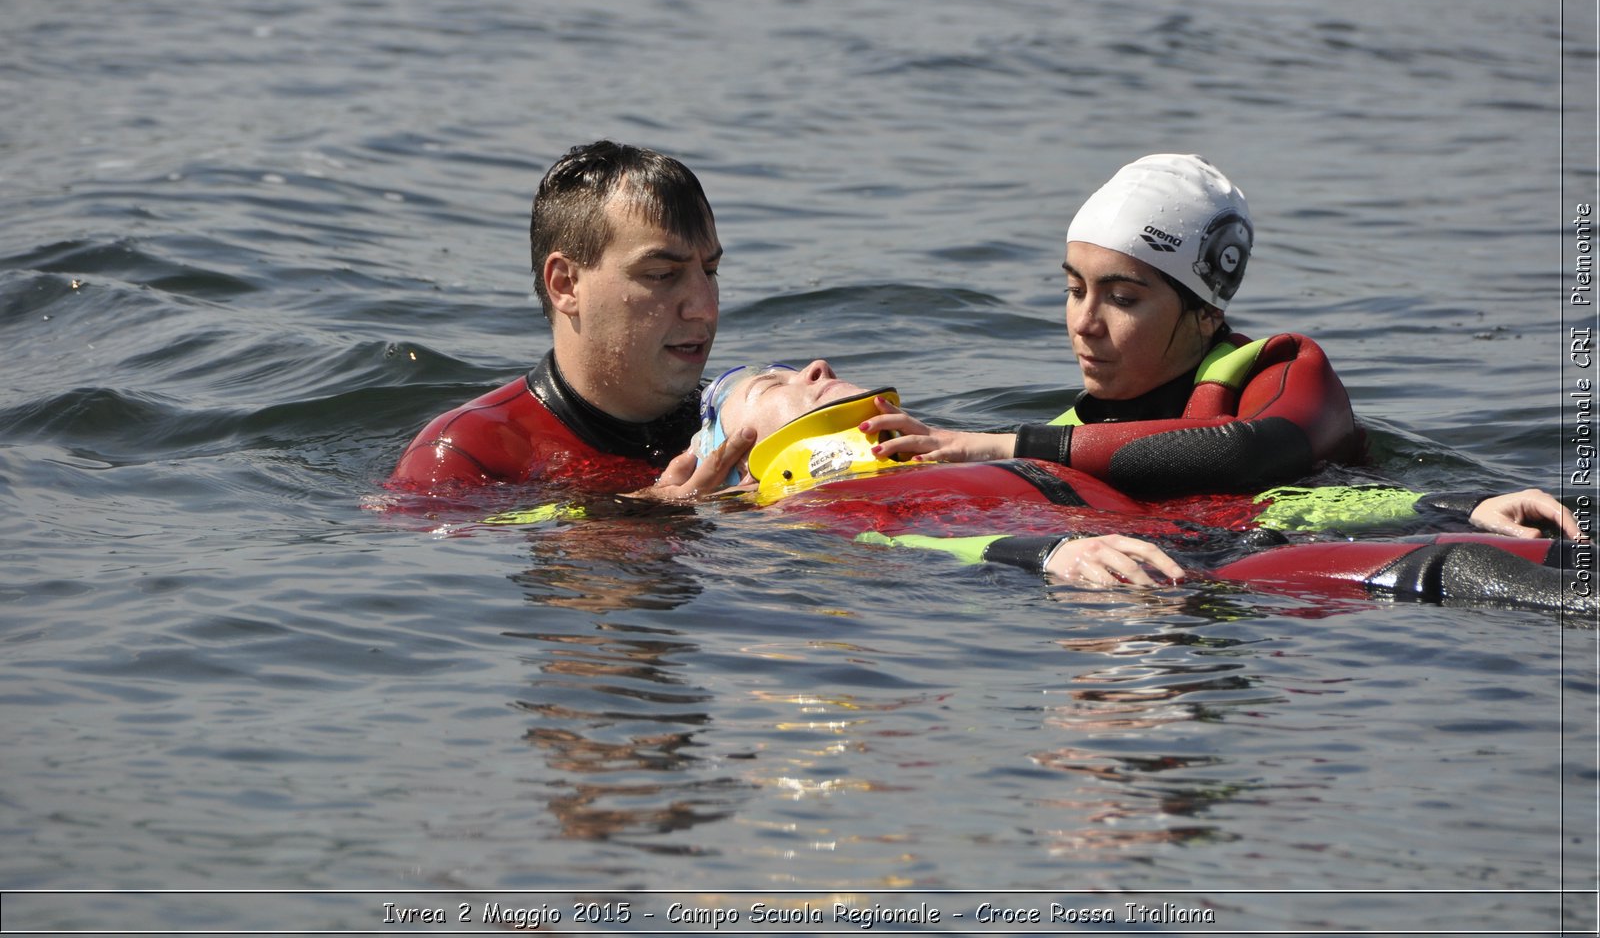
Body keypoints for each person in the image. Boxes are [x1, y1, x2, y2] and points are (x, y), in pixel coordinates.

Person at [676, 360, 1585, 605]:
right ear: (742, 449)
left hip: (1202, 534)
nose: (818, 363)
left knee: (1492, 541)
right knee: (1430, 571)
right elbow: (923, 544)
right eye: (775, 381)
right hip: (1166, 571)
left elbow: (1252, 503)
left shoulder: (969, 454)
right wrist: (1051, 553)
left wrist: (1454, 501)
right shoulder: (808, 510)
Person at [864, 154, 1366, 498]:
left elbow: (1249, 451)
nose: (1085, 323)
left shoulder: (1284, 375)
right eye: (1075, 291)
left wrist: (999, 445)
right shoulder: (1071, 437)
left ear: (1207, 311)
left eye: (1122, 299)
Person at [388, 141, 752, 496]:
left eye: (711, 270)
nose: (705, 308)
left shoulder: (735, 420)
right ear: (565, 285)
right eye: (660, 275)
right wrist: (639, 516)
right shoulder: (465, 454)